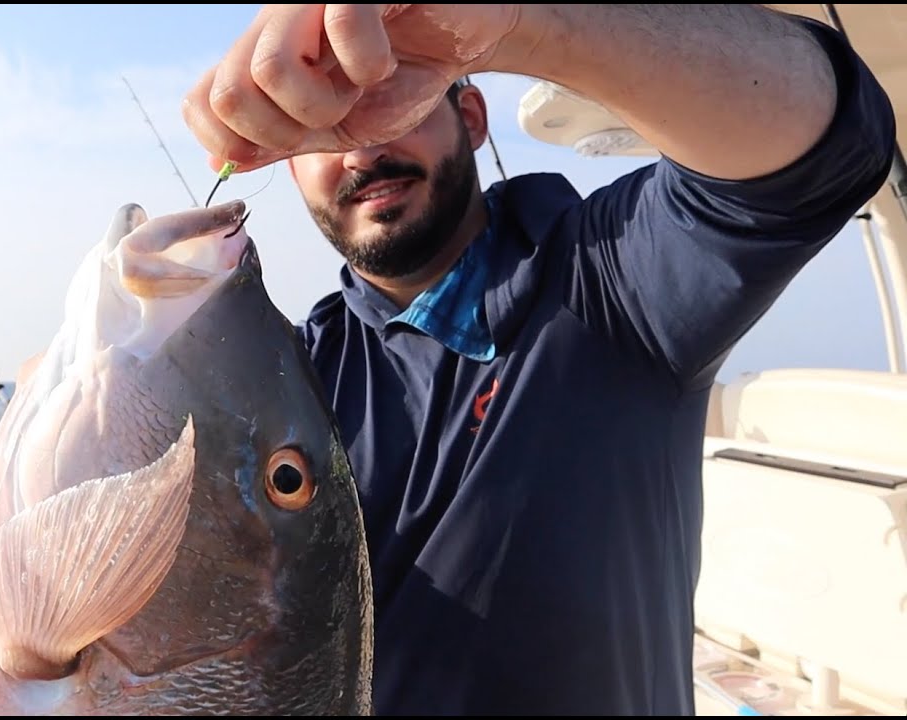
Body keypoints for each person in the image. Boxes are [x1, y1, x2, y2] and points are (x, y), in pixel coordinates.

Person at [171, 4, 897, 717]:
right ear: (291, 173)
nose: (361, 151)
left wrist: (520, 23)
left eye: (390, 102)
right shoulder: (291, 377)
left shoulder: (614, 280)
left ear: (472, 117)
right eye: (322, 132)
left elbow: (822, 143)